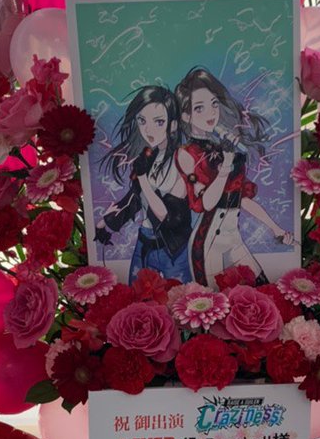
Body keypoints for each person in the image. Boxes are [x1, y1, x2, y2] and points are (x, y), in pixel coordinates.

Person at [174, 67, 293, 287]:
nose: (210, 113)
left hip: (234, 239)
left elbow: (241, 198)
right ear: (186, 116)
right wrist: (226, 164)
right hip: (208, 244)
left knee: (262, 289)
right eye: (199, 108)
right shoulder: (186, 153)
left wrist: (275, 228)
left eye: (214, 104)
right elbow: (205, 203)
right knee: (214, 303)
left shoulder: (223, 147)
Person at [94, 85, 192, 283]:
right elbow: (134, 199)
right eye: (142, 120)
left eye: (159, 122)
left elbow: (166, 215)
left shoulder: (183, 159)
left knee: (181, 297)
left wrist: (143, 178)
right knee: (136, 297)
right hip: (144, 242)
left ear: (173, 125)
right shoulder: (148, 158)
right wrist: (105, 222)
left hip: (173, 249)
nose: (148, 130)